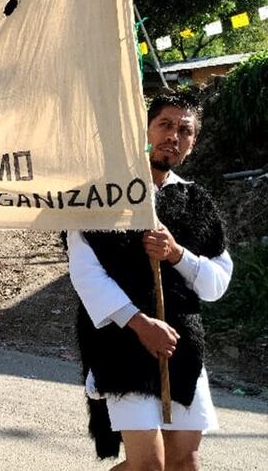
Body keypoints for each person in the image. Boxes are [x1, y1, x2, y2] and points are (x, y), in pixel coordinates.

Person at [68, 93, 232, 469]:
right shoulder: (102, 194)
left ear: (193, 143)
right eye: (165, 125)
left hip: (182, 347)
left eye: (184, 130)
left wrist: (177, 255)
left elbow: (216, 283)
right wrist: (140, 324)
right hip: (121, 342)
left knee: (184, 462)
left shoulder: (197, 202)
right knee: (147, 465)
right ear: (144, 130)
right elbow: (86, 273)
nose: (174, 136)